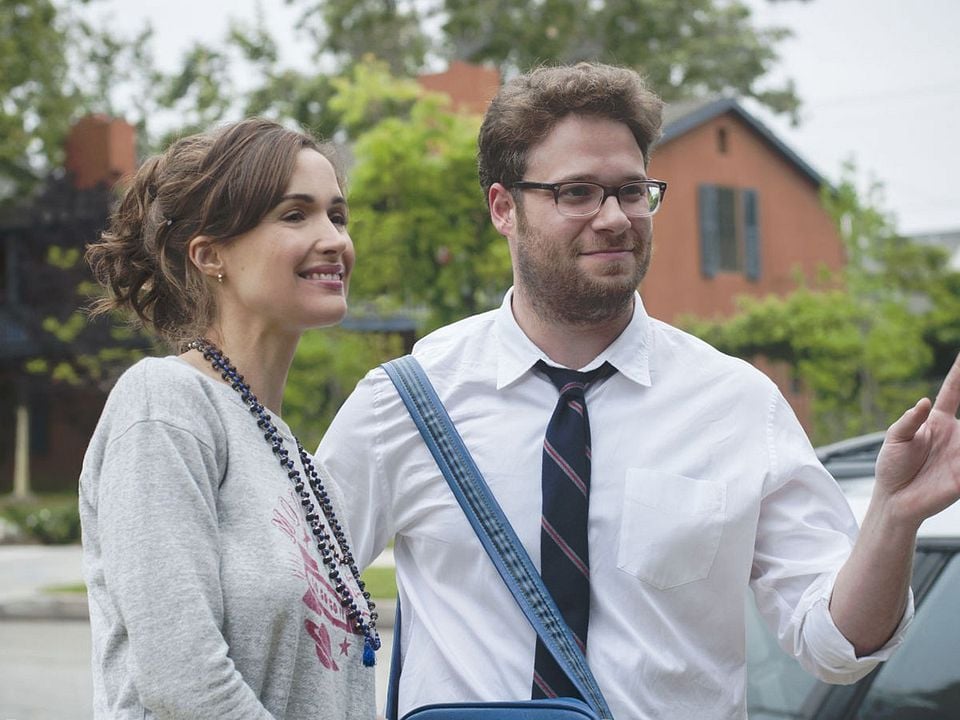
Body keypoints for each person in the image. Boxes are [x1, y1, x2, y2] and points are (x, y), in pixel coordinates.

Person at [316, 62, 960, 720]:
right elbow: (299, 605)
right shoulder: (407, 402)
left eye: (631, 191)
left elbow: (836, 646)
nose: (614, 218)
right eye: (577, 193)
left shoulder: (738, 405)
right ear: (504, 208)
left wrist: (895, 515)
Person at [80, 118, 378, 719]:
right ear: (210, 253)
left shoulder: (297, 461)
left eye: (337, 216)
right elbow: (183, 682)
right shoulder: (165, 407)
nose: (333, 240)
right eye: (295, 215)